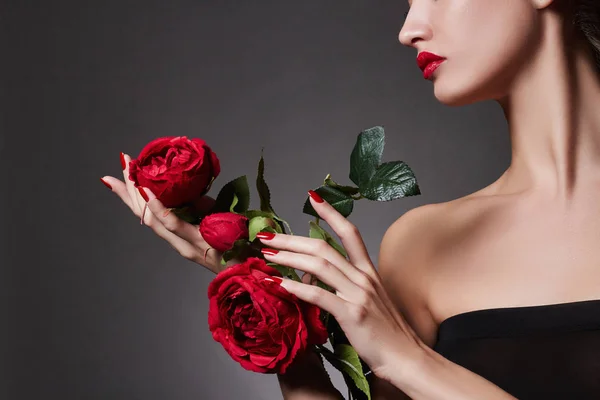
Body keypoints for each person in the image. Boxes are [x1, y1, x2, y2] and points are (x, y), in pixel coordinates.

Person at [100, 0, 600, 398]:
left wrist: (409, 361)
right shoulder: (424, 244)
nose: (409, 28)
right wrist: (266, 294)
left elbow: (407, 363)